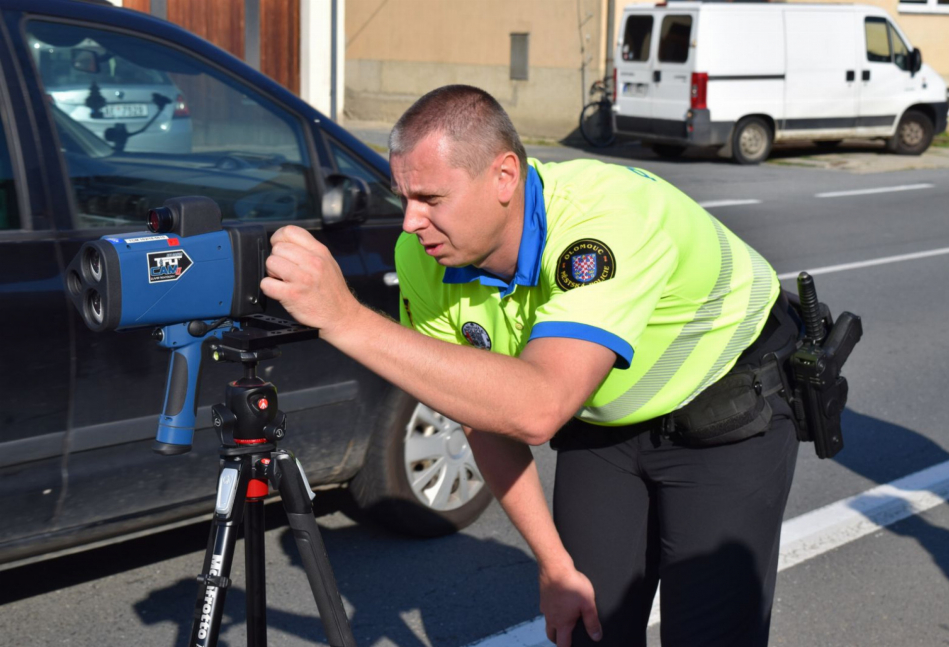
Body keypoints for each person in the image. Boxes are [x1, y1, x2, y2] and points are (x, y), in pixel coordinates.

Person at [261, 85, 800, 647]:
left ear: (504, 177)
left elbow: (538, 407)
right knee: (589, 628)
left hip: (724, 410)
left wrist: (345, 318)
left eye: (431, 198)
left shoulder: (605, 221)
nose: (409, 223)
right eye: (404, 198)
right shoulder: (423, 255)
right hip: (605, 420)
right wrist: (552, 564)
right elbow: (479, 412)